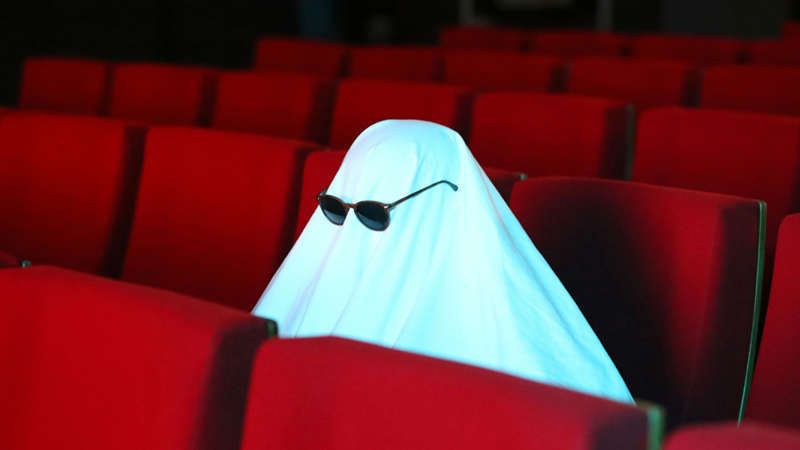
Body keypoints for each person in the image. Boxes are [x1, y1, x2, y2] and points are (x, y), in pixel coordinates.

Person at [252, 120, 633, 403]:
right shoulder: (309, 285)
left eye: (373, 213)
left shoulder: (519, 343)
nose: (350, 228)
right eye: (334, 207)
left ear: (445, 197)